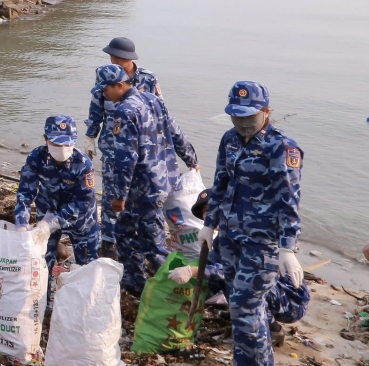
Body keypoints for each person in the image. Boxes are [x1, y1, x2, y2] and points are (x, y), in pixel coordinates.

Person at [197, 81, 303, 366]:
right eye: (237, 116)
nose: (243, 123)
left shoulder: (281, 147)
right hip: (230, 237)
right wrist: (209, 224)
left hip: (262, 242)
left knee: (247, 307)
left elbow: (289, 201)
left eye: (250, 117)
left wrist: (288, 249)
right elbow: (220, 184)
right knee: (238, 306)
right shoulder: (229, 140)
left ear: (267, 112)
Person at [169, 188, 309, 348]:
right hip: (266, 291)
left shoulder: (252, 234)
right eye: (205, 212)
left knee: (242, 282)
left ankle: (273, 329)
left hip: (290, 301)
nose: (209, 216)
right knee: (223, 279)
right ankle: (244, 315)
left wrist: (193, 271)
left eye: (212, 209)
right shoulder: (221, 242)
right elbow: (213, 277)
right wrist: (183, 296)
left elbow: (243, 272)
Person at [95, 64, 172, 295]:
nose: (103, 95)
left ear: (119, 85)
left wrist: (119, 196)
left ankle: (173, 288)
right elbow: (172, 131)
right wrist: (189, 158)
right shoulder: (151, 100)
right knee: (125, 233)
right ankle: (134, 283)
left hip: (142, 189)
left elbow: (126, 158)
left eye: (105, 89)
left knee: (153, 244)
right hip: (155, 181)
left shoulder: (125, 111)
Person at [85, 36, 162, 249]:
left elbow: (159, 112)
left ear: (127, 58)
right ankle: (109, 243)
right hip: (112, 147)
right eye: (111, 57)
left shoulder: (147, 79)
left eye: (117, 58)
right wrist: (91, 135)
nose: (113, 61)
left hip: (143, 150)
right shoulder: (105, 76)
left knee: (140, 197)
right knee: (111, 195)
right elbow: (96, 107)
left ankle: (136, 239)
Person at [14, 115, 100, 281]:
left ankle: (83, 306)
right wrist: (22, 225)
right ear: (46, 139)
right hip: (47, 210)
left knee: (88, 268)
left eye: (67, 143)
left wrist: (52, 223)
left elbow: (83, 202)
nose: (62, 148)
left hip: (81, 221)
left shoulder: (83, 163)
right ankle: (42, 305)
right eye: (56, 143)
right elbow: (25, 194)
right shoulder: (36, 158)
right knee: (40, 265)